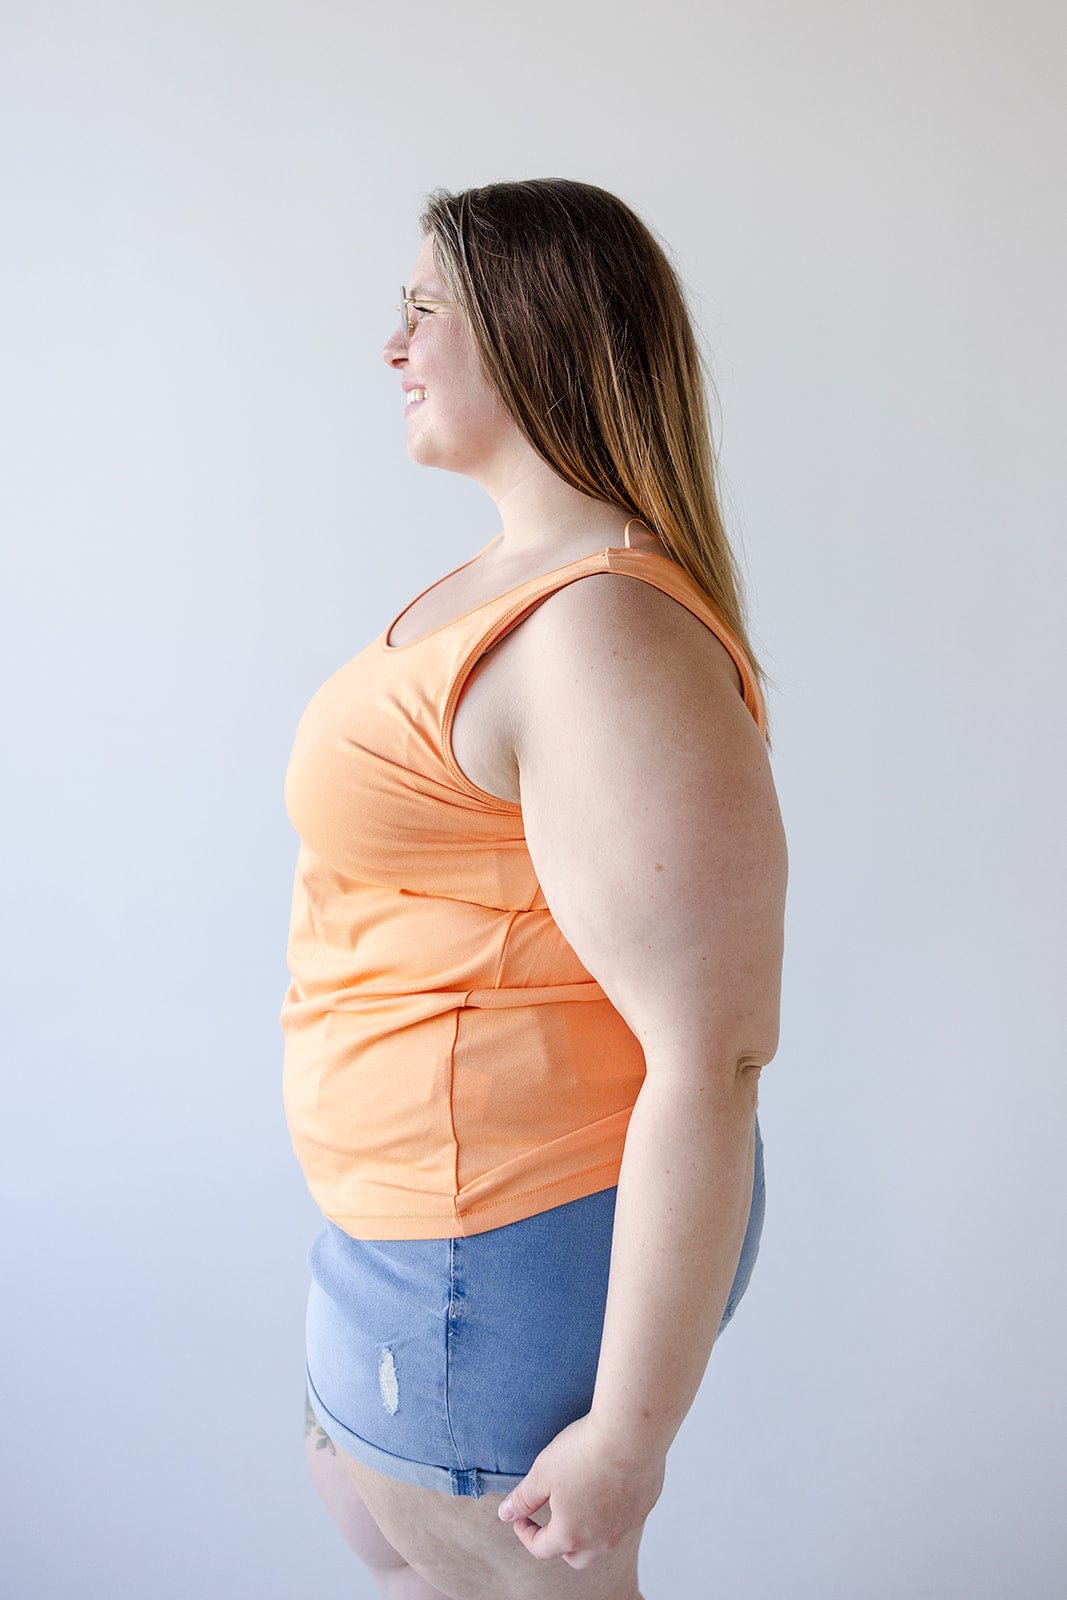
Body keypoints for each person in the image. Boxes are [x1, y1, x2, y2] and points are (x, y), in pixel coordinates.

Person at [280, 177, 788, 1600]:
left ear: (534, 331)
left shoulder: (605, 629)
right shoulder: (525, 584)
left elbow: (717, 1051)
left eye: (423, 310)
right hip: (428, 1233)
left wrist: (629, 1434)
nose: (393, 348)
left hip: (505, 1233)